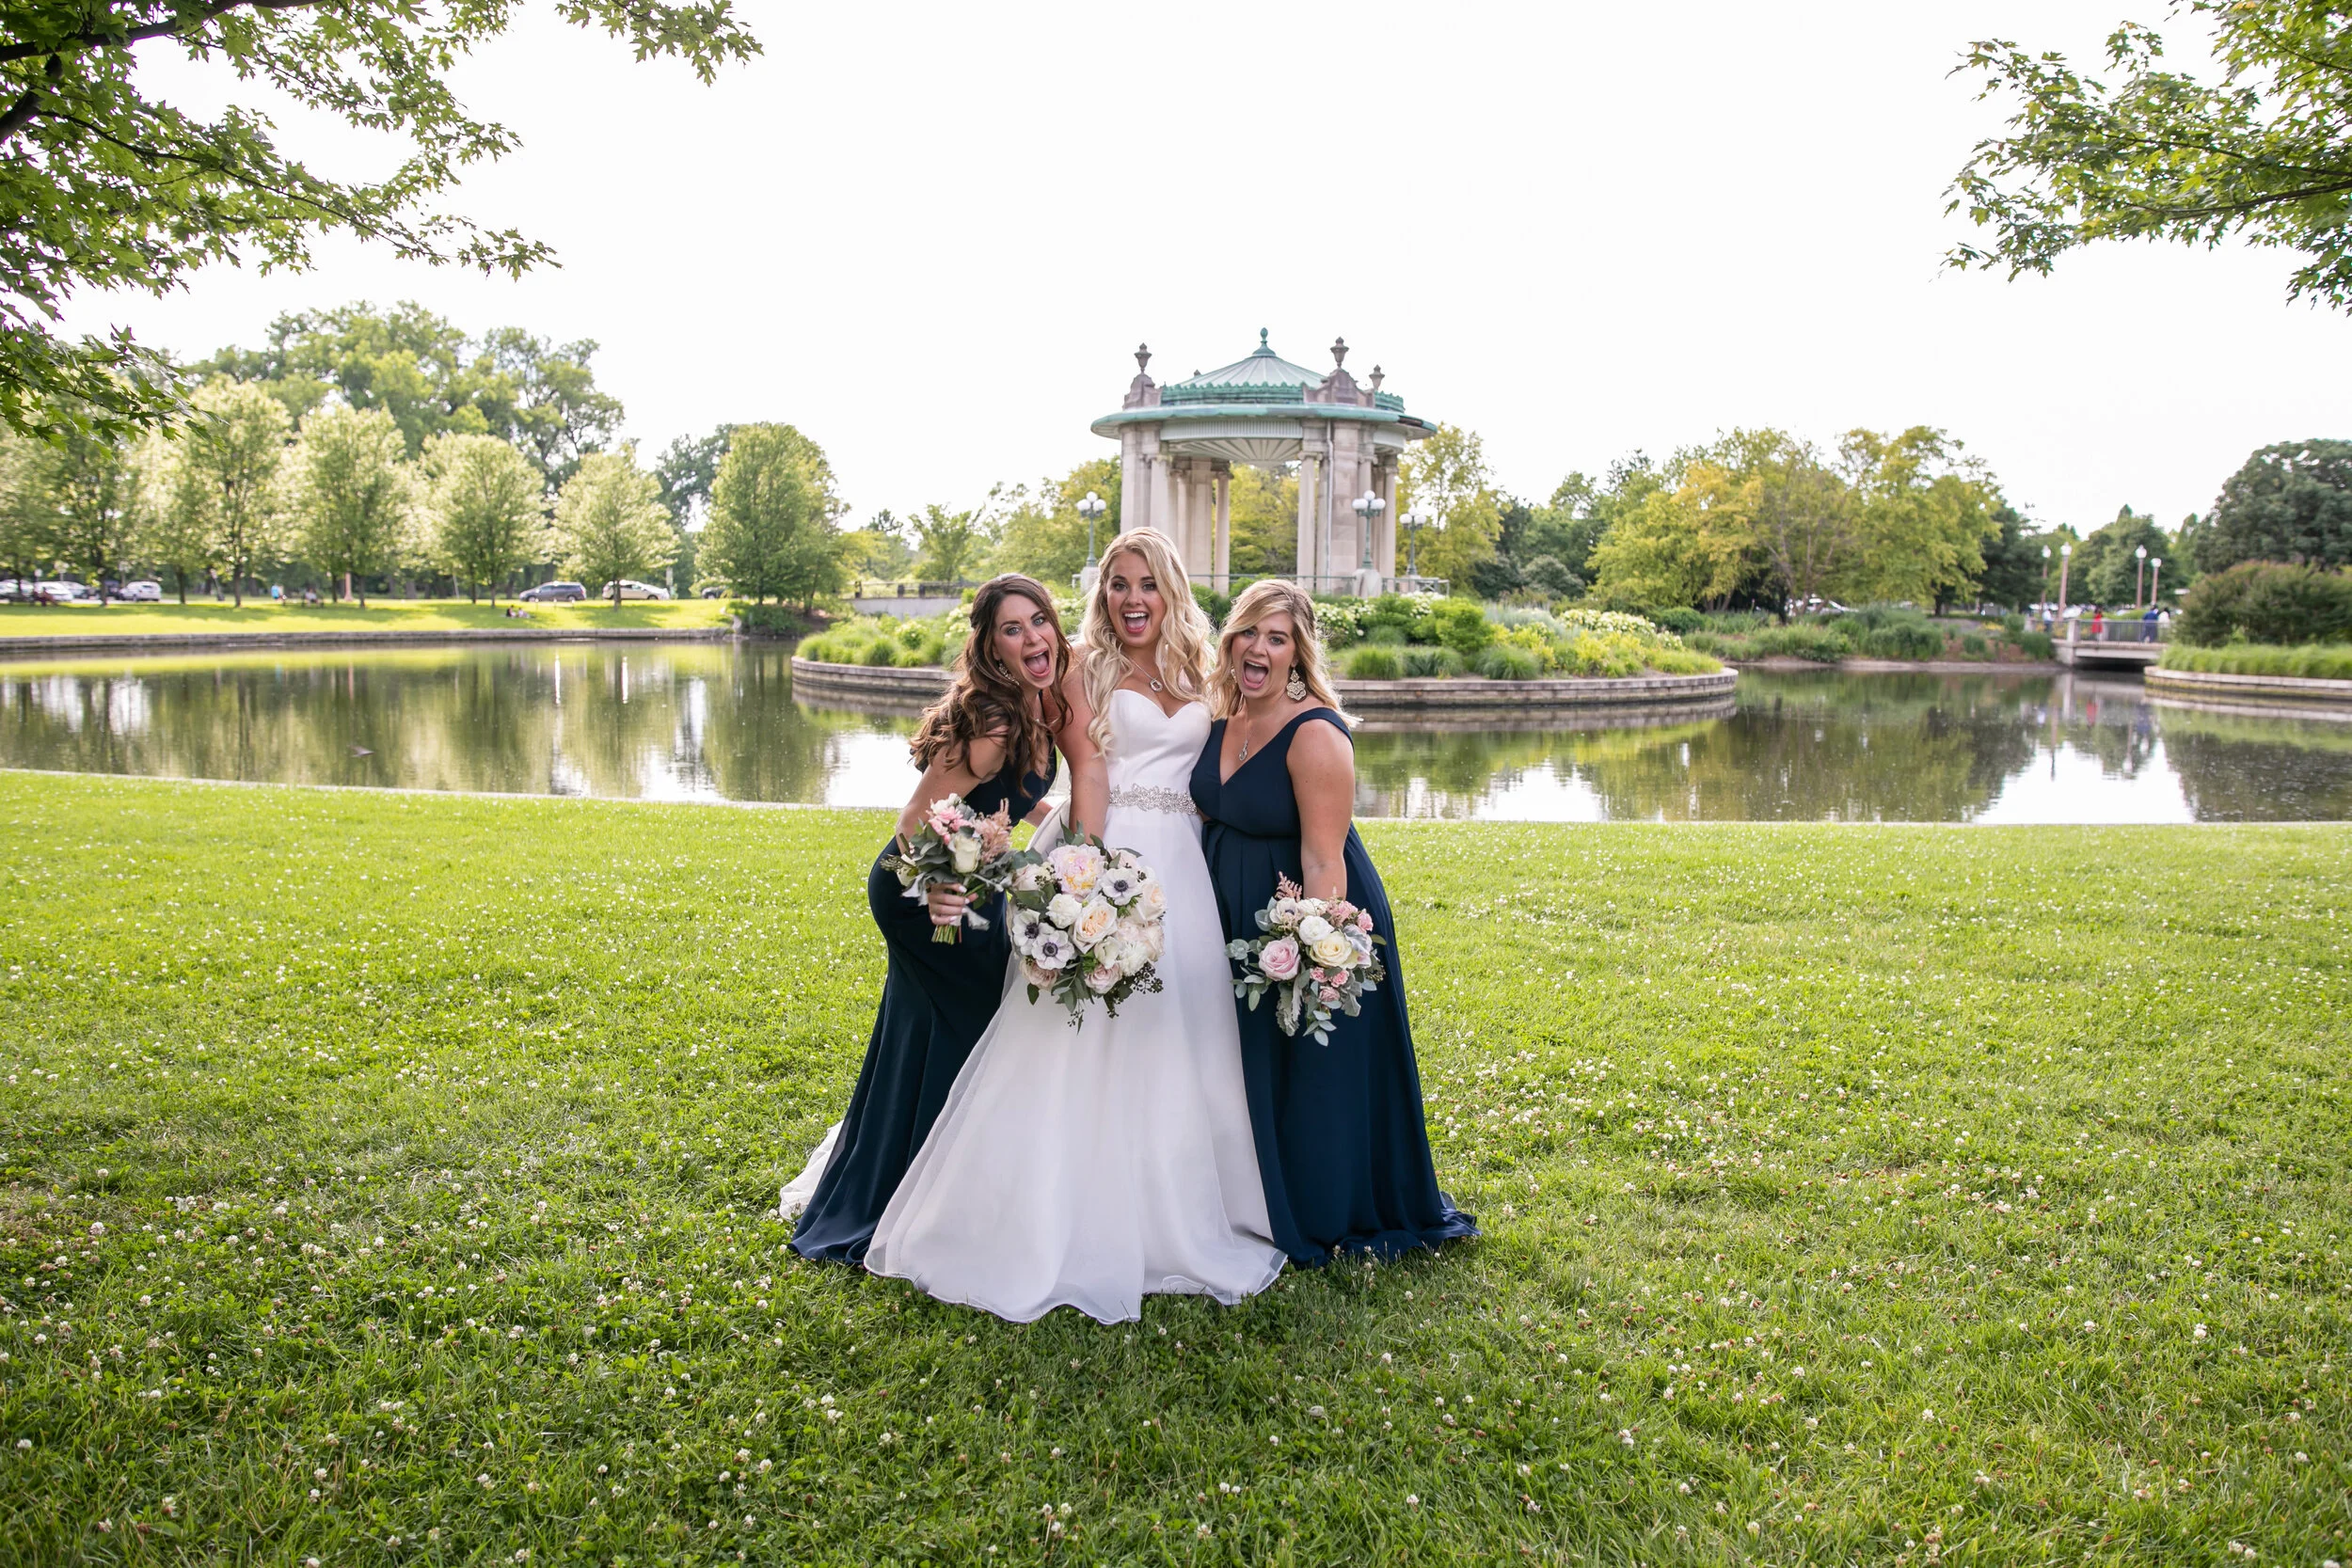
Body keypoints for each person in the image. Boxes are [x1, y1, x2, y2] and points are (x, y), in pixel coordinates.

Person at [866, 529, 1285, 1323]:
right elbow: (1084, 763)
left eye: (1148, 584)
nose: (1133, 599)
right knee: (1075, 1040)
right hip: (1105, 854)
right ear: (1103, 594)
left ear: (1171, 592)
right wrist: (1083, 875)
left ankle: (1188, 1209)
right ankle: (1051, 1216)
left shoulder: (1202, 667)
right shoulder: (1082, 666)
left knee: (1181, 1035)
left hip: (1183, 871)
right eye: (1119, 584)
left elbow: (1245, 732)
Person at [782, 574, 1071, 1262]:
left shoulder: (1032, 703)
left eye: (1039, 621)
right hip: (924, 889)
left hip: (968, 879)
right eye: (1011, 628)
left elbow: (1005, 792)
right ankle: (922, 1201)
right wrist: (938, 887)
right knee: (969, 1030)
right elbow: (915, 821)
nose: (1031, 637)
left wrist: (1049, 817)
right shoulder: (994, 720)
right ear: (991, 647)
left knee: (935, 1031)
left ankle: (913, 1184)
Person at [1189, 579, 1477, 1264]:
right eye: (1248, 632)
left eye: (1277, 637)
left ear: (1298, 652)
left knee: (1309, 1062)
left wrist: (1314, 951)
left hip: (1302, 907)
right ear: (1228, 641)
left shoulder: (1315, 731)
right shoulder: (1220, 715)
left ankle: (1323, 1204)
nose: (1258, 648)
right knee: (1248, 1060)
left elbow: (1323, 858)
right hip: (1231, 910)